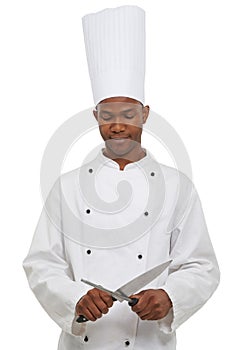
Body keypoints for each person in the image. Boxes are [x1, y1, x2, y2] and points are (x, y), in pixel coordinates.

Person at [23, 6, 220, 350]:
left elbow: (201, 266)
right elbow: (42, 264)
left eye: (128, 114)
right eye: (108, 115)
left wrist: (170, 296)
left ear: (145, 115)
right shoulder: (67, 187)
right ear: (95, 116)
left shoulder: (177, 188)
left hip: (149, 343)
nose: (117, 125)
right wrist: (75, 299)